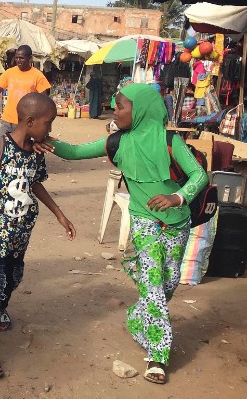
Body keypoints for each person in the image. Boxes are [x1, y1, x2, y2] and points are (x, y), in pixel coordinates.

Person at [39, 83, 208, 384]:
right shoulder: (117, 142)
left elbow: (199, 174)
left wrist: (177, 197)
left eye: (120, 106)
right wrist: (44, 139)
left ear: (140, 110)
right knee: (154, 285)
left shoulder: (171, 141)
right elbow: (76, 152)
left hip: (177, 223)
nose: (115, 111)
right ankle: (157, 356)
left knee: (166, 285)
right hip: (144, 222)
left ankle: (137, 318)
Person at [0, 93, 75, 378]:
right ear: (30, 121)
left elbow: (37, 186)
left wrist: (59, 213)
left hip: (20, 233)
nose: (50, 130)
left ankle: (0, 309)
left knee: (14, 277)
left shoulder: (36, 152)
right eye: (47, 124)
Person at [0, 45, 51, 136]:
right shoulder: (9, 72)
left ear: (30, 58)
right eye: (16, 58)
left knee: (19, 149)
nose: (18, 61)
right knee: (2, 146)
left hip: (25, 123)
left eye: (21, 58)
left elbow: (44, 102)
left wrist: (44, 126)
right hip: (7, 120)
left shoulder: (38, 76)